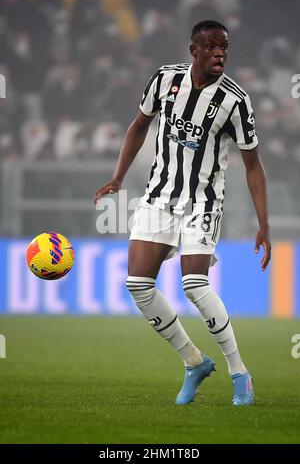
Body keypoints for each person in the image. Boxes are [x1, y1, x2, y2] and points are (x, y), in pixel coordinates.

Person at [94, 20, 271, 406]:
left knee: (194, 285)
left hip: (203, 201)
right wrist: (118, 177)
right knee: (138, 286)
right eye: (211, 47)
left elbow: (253, 165)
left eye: (224, 47)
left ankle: (240, 372)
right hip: (159, 196)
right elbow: (138, 125)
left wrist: (264, 225)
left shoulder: (235, 102)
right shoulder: (164, 80)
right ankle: (194, 362)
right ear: (194, 51)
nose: (220, 53)